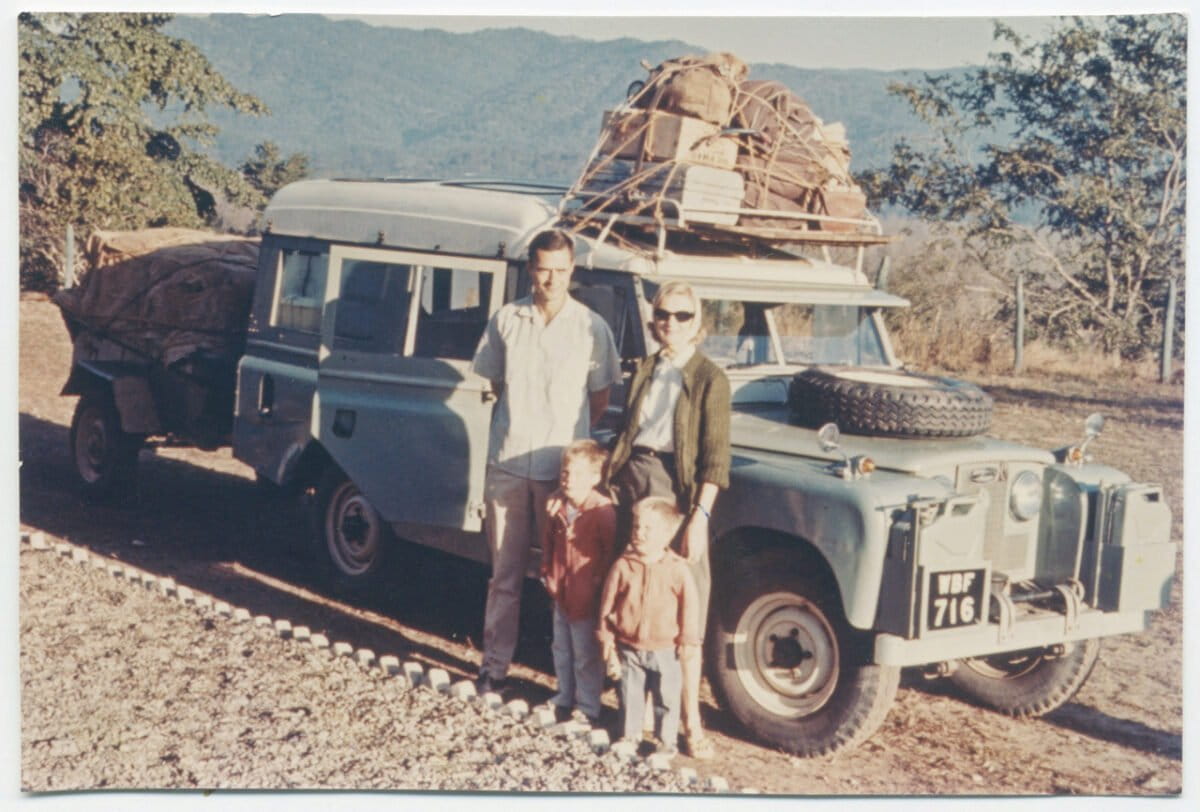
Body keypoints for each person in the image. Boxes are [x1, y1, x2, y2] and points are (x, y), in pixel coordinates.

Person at [471, 229, 621, 695]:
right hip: (509, 465)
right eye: (542, 269)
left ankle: (572, 682)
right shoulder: (507, 320)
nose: (551, 280)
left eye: (560, 270)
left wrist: (569, 445)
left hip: (565, 475)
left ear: (572, 270)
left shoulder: (591, 327)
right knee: (505, 575)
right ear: (529, 268)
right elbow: (493, 384)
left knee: (568, 577)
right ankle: (494, 667)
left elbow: (599, 397)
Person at [605, 280, 731, 760]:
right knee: (633, 594)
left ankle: (690, 723)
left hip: (677, 491)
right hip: (633, 477)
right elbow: (627, 432)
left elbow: (716, 458)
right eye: (662, 315)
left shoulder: (708, 379)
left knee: (685, 610)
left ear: (697, 322)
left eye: (682, 316)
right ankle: (630, 715)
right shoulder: (645, 369)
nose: (670, 324)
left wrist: (698, 516)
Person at [597, 497, 699, 757]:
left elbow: (690, 607)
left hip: (666, 648)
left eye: (647, 529)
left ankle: (666, 743)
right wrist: (606, 635)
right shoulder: (623, 566)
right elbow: (607, 604)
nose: (639, 534)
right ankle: (630, 737)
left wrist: (688, 640)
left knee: (666, 697)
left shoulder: (677, 570)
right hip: (629, 646)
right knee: (630, 694)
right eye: (636, 528)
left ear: (666, 535)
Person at [539, 439, 617, 724]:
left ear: (595, 478)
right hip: (561, 589)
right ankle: (563, 695)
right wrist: (547, 569)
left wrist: (599, 581)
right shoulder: (557, 508)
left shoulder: (602, 511)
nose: (569, 480)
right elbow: (547, 541)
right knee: (561, 647)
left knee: (586, 654)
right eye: (565, 473)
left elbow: (609, 551)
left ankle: (587, 706)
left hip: (587, 594)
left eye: (577, 474)